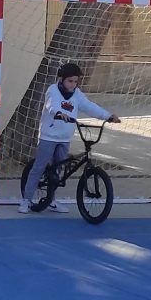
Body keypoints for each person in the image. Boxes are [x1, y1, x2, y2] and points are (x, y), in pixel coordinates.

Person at [21, 62, 121, 213]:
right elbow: (51, 105)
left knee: (58, 169)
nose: (73, 84)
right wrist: (58, 113)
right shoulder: (53, 90)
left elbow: (89, 106)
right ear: (61, 79)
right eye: (70, 81)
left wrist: (107, 116)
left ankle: (51, 200)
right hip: (49, 136)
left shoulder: (77, 94)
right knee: (39, 167)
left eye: (75, 81)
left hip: (65, 137)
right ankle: (26, 200)